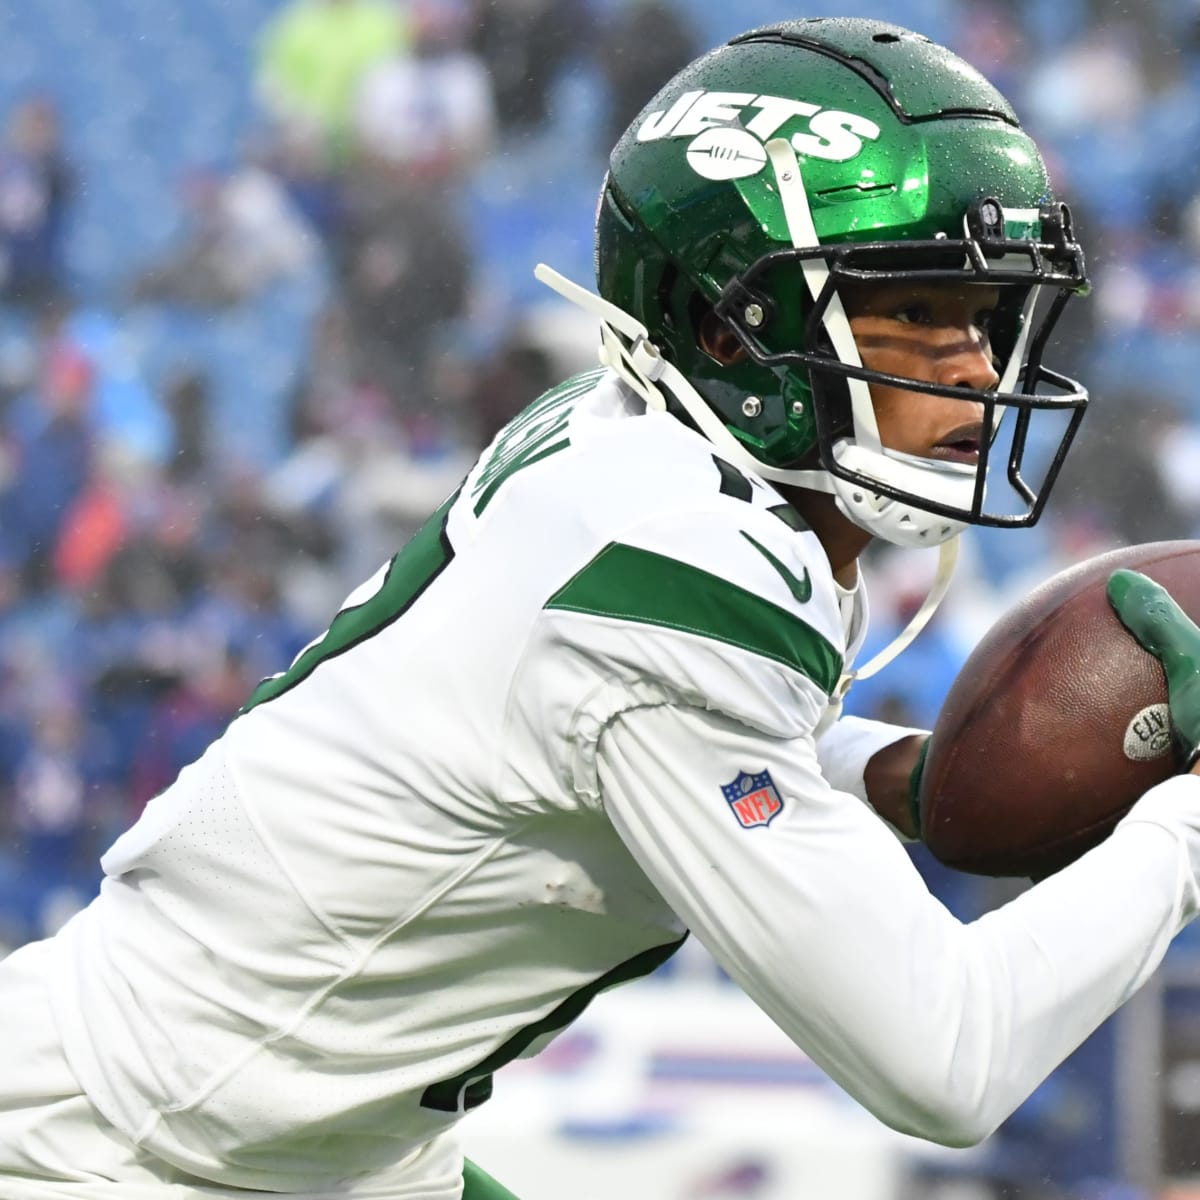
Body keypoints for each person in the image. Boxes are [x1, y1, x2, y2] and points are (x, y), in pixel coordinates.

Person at [3, 17, 1200, 1200]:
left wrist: (897, 773)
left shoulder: (660, 457)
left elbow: (634, 727)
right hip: (125, 1151)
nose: (980, 373)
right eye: (919, 314)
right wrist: (1181, 832)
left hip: (297, 1133)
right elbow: (946, 1060)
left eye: (985, 320)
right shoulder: (682, 567)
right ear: (740, 327)